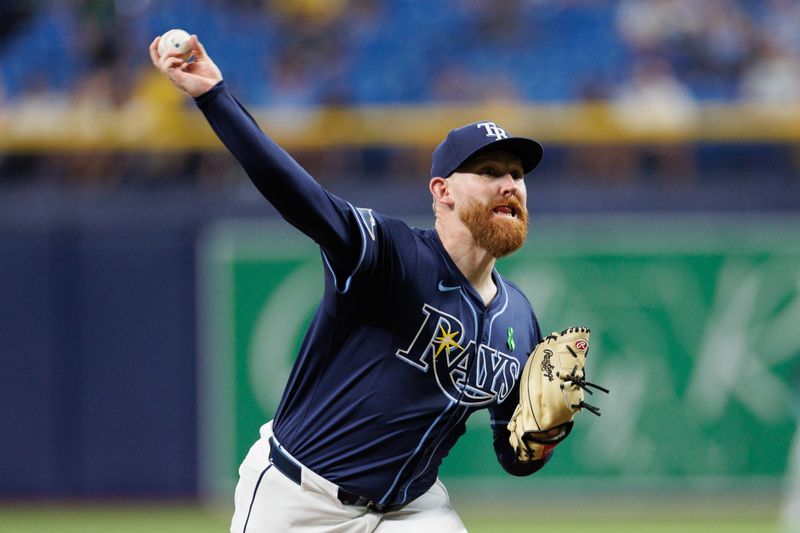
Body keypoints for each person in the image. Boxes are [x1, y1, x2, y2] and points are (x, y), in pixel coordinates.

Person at [150, 34, 555, 532]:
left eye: (517, 174)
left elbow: (515, 454)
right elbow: (298, 195)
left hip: (411, 509)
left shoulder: (518, 317)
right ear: (442, 191)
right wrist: (213, 96)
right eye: (490, 171)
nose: (510, 184)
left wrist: (543, 435)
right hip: (302, 498)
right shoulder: (390, 254)